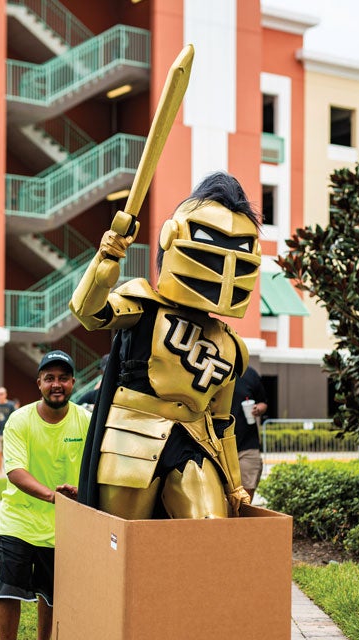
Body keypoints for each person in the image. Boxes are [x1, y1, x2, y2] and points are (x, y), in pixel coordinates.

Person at [70, 171, 262, 519]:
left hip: (194, 442)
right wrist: (105, 259)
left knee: (209, 531)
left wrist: (234, 484)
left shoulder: (232, 347)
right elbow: (89, 312)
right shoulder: (142, 304)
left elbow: (222, 422)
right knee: (123, 542)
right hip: (131, 437)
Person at [0, 350, 91, 640]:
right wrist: (52, 496)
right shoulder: (19, 420)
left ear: (73, 382)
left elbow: (97, 468)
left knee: (51, 593)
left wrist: (81, 490)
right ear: (39, 384)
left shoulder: (85, 421)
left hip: (64, 524)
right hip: (19, 519)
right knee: (8, 589)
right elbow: (16, 471)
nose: (57, 384)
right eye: (50, 378)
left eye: (63, 377)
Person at [230, 366, 268, 501]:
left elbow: (263, 402)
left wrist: (258, 409)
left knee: (245, 498)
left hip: (247, 446)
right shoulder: (211, 371)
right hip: (217, 448)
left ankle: (241, 522)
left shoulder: (250, 373)